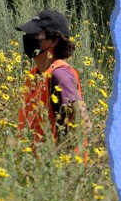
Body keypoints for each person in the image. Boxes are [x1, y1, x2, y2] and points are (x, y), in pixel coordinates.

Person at [16, 9, 91, 149]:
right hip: (37, 166)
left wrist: (61, 161)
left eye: (35, 34)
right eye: (28, 33)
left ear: (54, 41)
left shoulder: (60, 75)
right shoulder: (36, 75)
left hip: (58, 167)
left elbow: (83, 124)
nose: (28, 37)